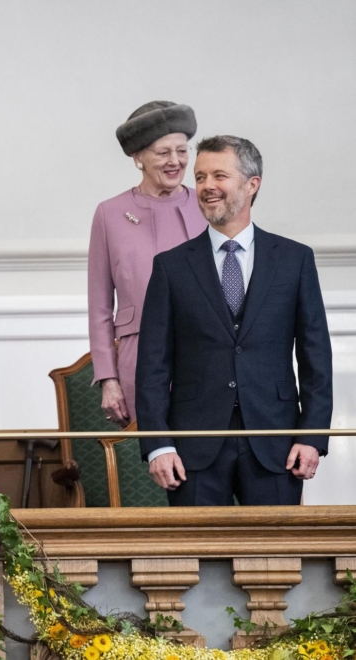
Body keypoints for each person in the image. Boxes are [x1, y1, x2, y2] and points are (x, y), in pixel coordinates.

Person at [135, 135, 332, 506]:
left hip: (277, 442)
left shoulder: (294, 260)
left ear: (252, 183)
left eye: (219, 175)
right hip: (192, 447)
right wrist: (158, 443)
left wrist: (312, 435)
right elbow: (152, 367)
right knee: (195, 558)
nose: (207, 186)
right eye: (200, 177)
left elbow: (316, 357)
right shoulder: (170, 267)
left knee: (275, 559)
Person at [88, 101, 207, 426]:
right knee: (152, 462)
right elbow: (99, 306)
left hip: (207, 353)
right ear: (137, 157)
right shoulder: (109, 213)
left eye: (182, 151)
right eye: (163, 152)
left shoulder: (207, 205)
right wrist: (107, 378)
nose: (175, 161)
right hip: (137, 357)